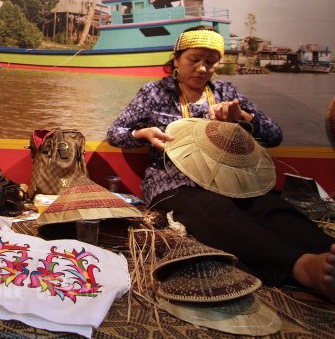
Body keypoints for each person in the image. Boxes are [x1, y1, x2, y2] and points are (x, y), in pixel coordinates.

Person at [107, 26, 335, 302]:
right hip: (173, 183)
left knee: (270, 206)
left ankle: (327, 250)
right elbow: (115, 134)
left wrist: (244, 118)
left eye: (211, 62)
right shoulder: (154, 92)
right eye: (194, 60)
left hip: (231, 179)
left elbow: (274, 136)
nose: (203, 69)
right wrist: (142, 134)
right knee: (219, 214)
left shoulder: (226, 91)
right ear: (176, 59)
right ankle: (302, 268)